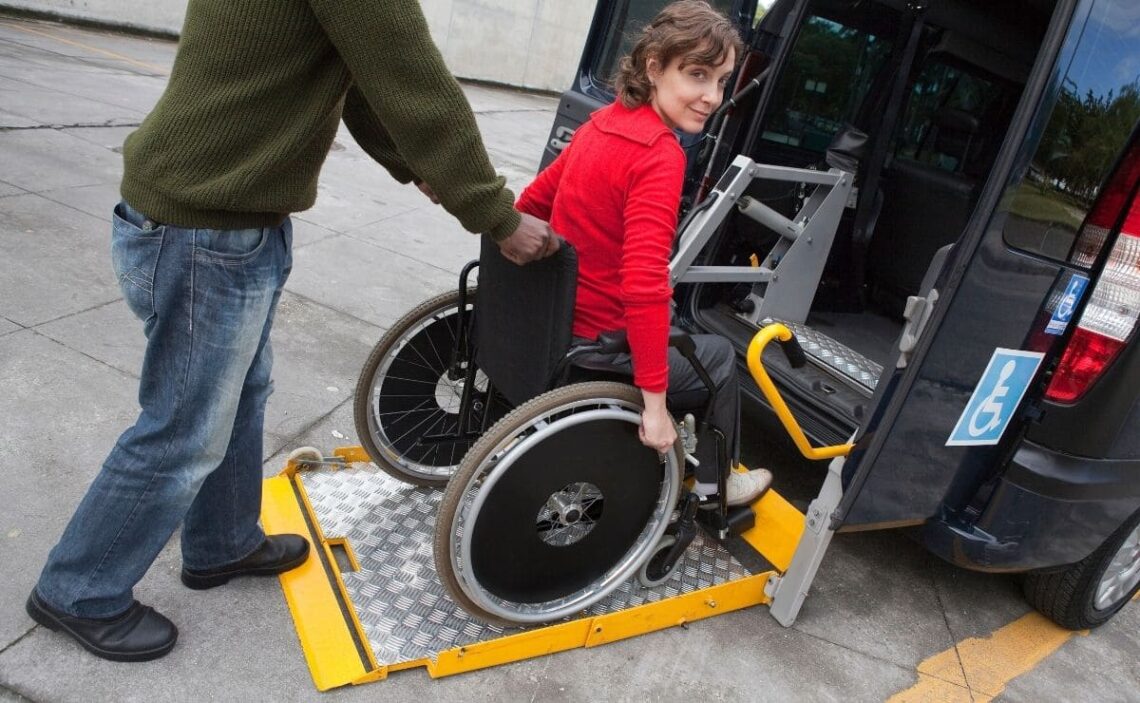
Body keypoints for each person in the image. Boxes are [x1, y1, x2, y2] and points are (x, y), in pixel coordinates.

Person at [26, 0, 556, 663]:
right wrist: (495, 214)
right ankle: (78, 590)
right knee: (184, 428)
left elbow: (363, 82)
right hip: (206, 231)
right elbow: (416, 86)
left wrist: (424, 172)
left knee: (244, 393)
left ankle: (222, 541)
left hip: (216, 219)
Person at [516, 0, 771, 506]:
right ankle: (717, 486)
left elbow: (530, 205)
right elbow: (644, 286)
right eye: (696, 74)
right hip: (598, 345)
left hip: (551, 322)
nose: (711, 97)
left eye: (720, 81)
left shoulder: (600, 123)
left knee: (681, 332)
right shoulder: (660, 155)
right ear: (654, 66)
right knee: (718, 356)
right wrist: (654, 406)